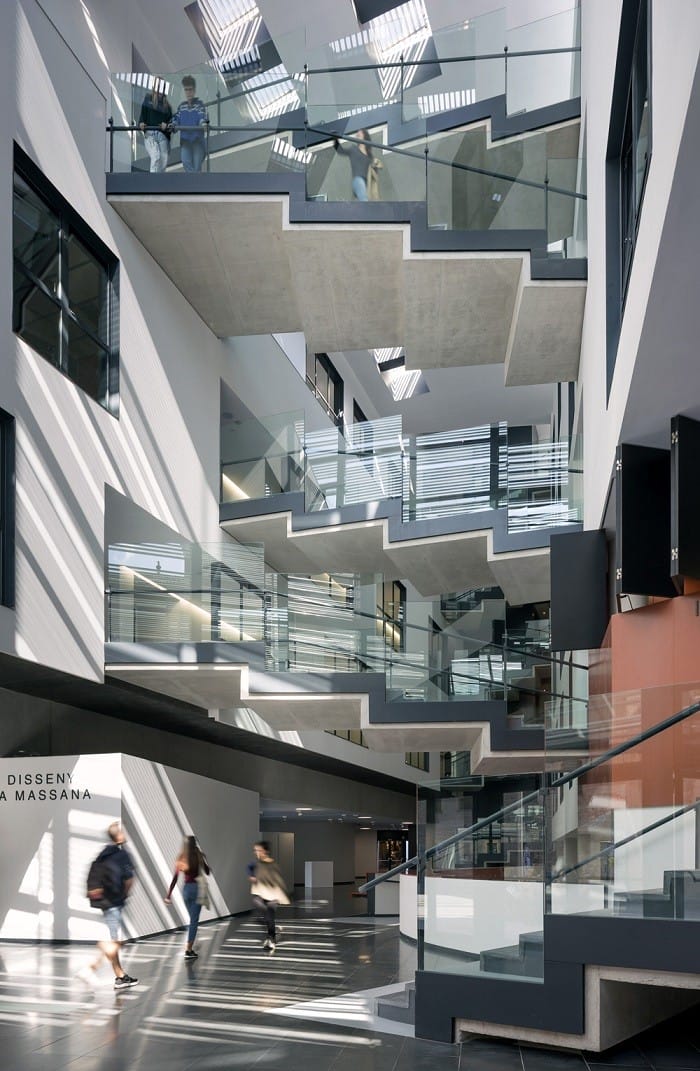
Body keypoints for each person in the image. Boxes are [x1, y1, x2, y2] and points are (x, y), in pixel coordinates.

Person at [82, 822, 138, 989]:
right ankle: (94, 971)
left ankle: (118, 975)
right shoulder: (122, 855)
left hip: (104, 900)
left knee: (115, 940)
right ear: (119, 836)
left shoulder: (103, 853)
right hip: (115, 901)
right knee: (115, 942)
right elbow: (129, 879)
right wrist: (124, 895)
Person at [164, 834, 210, 959]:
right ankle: (189, 950)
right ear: (195, 844)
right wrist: (203, 859)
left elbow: (174, 878)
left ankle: (191, 942)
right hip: (197, 889)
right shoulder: (198, 855)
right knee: (194, 921)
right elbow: (207, 872)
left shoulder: (181, 858)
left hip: (186, 890)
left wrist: (168, 895)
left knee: (192, 919)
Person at [248, 840, 290, 953]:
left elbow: (278, 880)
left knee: (270, 916)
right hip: (260, 894)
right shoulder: (256, 864)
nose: (256, 852)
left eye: (258, 850)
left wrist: (281, 896)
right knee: (261, 913)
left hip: (272, 895)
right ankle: (273, 929)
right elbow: (250, 869)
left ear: (265, 851)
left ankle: (271, 939)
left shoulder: (272, 864)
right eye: (255, 850)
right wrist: (252, 876)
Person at [171, 75, 209, 173]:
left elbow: (202, 117)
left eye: (190, 89)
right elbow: (176, 119)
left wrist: (203, 124)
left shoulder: (199, 105)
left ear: (194, 90)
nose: (188, 92)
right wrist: (173, 125)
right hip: (186, 141)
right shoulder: (181, 106)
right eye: (186, 90)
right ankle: (195, 185)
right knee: (186, 162)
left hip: (197, 141)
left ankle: (195, 185)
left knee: (196, 168)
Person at [333, 128, 382, 202]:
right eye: (357, 135)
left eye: (359, 134)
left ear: (365, 136)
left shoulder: (370, 156)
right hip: (358, 180)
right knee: (364, 201)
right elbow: (340, 151)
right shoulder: (353, 149)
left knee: (366, 201)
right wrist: (335, 139)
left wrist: (376, 165)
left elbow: (373, 173)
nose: (357, 136)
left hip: (367, 184)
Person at [138, 78, 172, 173]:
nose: (160, 91)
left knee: (164, 159)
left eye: (162, 88)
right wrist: (141, 123)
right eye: (158, 87)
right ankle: (153, 180)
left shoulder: (167, 106)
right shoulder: (148, 99)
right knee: (156, 155)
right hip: (150, 134)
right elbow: (142, 115)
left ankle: (159, 181)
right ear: (154, 88)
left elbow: (170, 123)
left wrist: (167, 126)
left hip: (162, 136)